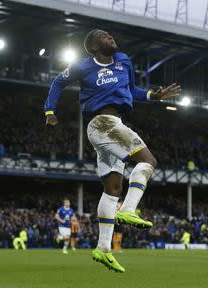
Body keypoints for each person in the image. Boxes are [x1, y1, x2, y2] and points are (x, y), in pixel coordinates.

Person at [44, 29, 180, 272]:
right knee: (148, 161)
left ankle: (103, 248)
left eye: (110, 34)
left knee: (113, 189)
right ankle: (128, 210)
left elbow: (132, 90)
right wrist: (50, 111)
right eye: (104, 36)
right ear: (94, 47)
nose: (110, 37)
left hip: (112, 126)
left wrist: (153, 95)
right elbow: (58, 82)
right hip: (102, 123)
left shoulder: (123, 61)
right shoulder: (83, 66)